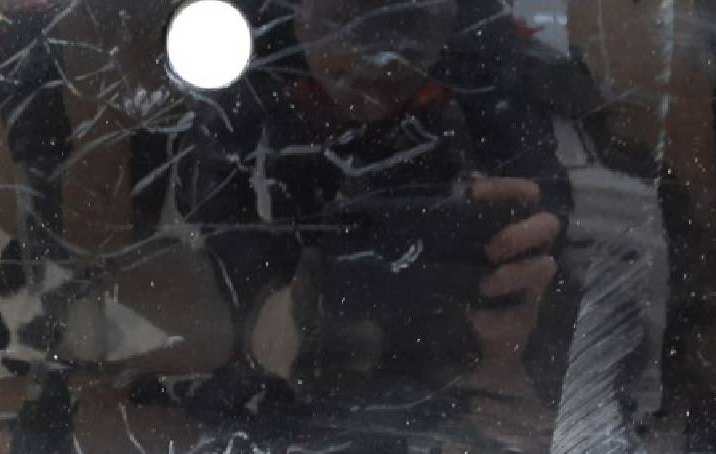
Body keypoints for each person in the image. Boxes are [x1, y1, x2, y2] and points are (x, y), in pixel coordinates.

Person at [171, 0, 573, 414]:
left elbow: (542, 179)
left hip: (440, 276)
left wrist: (530, 239)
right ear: (302, 20)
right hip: (298, 219)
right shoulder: (252, 32)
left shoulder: (478, 33)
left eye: (393, 81)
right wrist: (261, 298)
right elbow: (210, 188)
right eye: (345, 76)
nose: (371, 106)